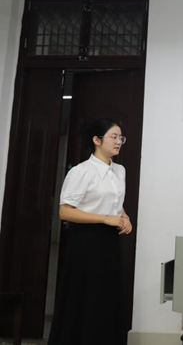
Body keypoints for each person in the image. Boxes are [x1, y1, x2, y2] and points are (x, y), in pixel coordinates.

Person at [48, 118, 132, 345]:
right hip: (86, 242)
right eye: (113, 137)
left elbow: (115, 201)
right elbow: (65, 211)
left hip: (110, 241)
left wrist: (124, 217)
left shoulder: (119, 170)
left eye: (121, 138)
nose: (119, 142)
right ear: (97, 140)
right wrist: (105, 218)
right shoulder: (81, 172)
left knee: (108, 296)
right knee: (87, 297)